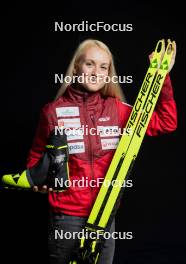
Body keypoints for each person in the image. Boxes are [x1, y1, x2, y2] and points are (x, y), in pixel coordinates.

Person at [26, 39, 177, 264]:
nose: (96, 73)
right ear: (76, 67)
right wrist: (38, 180)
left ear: (108, 73)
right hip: (67, 217)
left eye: (103, 67)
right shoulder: (52, 112)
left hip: (105, 215)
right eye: (89, 64)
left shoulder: (119, 111)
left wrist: (161, 76)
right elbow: (36, 157)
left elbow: (166, 122)